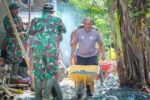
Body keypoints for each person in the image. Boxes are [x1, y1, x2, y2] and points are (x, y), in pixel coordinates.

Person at [27, 3, 66, 100]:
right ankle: (45, 97)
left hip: (38, 49)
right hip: (51, 50)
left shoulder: (35, 20)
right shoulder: (57, 20)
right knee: (51, 74)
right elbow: (64, 30)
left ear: (43, 11)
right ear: (52, 12)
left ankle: (38, 97)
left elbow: (30, 33)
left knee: (38, 73)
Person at [71, 17, 105, 97]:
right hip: (81, 56)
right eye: (86, 24)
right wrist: (73, 54)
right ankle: (80, 91)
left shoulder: (96, 33)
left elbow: (101, 43)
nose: (88, 26)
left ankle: (89, 91)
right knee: (81, 74)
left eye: (89, 24)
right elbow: (74, 44)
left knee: (90, 75)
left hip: (92, 56)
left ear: (92, 24)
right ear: (83, 24)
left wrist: (102, 53)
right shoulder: (79, 32)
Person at [3, 2, 24, 77]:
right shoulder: (7, 18)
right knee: (11, 58)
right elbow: (8, 29)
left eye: (18, 9)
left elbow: (21, 28)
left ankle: (14, 75)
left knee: (18, 58)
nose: (17, 11)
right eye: (15, 9)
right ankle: (7, 75)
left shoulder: (19, 17)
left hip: (18, 42)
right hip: (11, 42)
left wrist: (23, 28)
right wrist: (16, 26)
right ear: (11, 10)